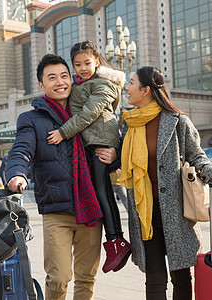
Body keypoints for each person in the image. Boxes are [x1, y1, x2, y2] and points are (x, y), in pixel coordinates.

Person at [111, 66, 212, 300]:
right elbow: (124, 157)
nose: (127, 88)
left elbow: (196, 155)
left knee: (181, 276)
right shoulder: (129, 123)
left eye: (131, 82)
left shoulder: (177, 121)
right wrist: (113, 156)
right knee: (154, 277)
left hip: (177, 210)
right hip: (145, 211)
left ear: (145, 90)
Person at [6, 54, 104, 300]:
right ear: (42, 85)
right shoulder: (31, 119)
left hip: (91, 208)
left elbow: (109, 139)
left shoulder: (88, 112)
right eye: (52, 78)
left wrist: (114, 153)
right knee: (58, 278)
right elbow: (21, 150)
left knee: (86, 278)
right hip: (56, 211)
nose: (60, 82)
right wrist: (17, 173)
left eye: (64, 76)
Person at [46, 41, 130, 272]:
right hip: (90, 143)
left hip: (101, 142)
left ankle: (116, 240)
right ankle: (116, 241)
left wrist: (63, 132)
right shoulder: (81, 84)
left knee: (103, 192)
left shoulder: (104, 84)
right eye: (77, 64)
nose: (82, 68)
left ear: (97, 61)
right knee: (100, 191)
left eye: (87, 63)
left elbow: (89, 113)